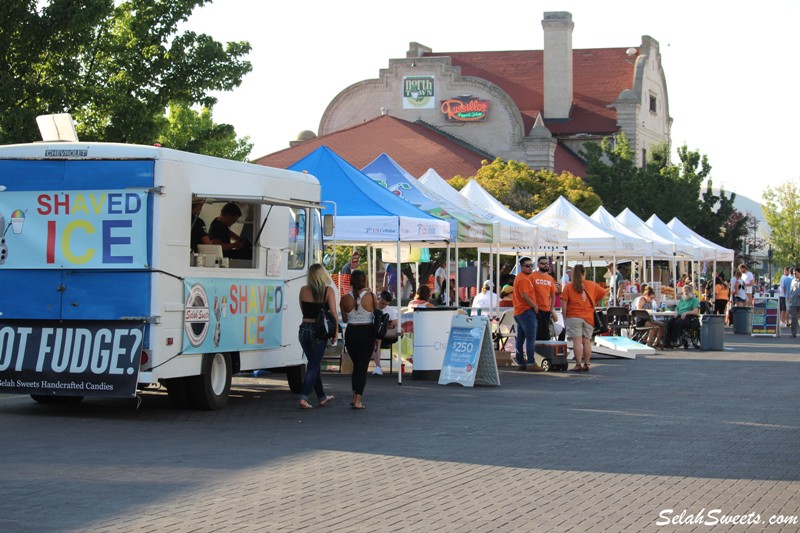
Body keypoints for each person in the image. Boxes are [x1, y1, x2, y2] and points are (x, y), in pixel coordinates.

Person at [297, 264, 338, 409]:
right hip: (319, 332)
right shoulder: (328, 291)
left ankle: (321, 397)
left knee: (314, 364)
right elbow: (333, 314)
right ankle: (304, 397)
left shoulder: (303, 290)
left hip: (303, 330)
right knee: (313, 365)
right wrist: (335, 333)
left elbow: (303, 310)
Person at [560, 264, 608, 372]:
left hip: (573, 316)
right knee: (587, 341)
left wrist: (564, 317)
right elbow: (603, 293)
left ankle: (578, 364)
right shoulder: (591, 285)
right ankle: (587, 363)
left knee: (577, 342)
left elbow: (564, 304)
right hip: (588, 316)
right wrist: (595, 301)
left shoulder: (568, 287)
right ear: (584, 273)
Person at [340, 269, 376, 410]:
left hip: (351, 332)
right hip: (366, 332)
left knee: (357, 366)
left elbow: (344, 318)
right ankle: (358, 400)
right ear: (364, 281)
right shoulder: (371, 296)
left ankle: (354, 395)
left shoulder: (344, 299)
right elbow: (376, 312)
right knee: (362, 367)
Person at [512, 257, 543, 372]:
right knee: (530, 338)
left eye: (531, 265)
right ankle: (530, 362)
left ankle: (521, 362)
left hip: (519, 311)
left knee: (520, 339)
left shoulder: (522, 278)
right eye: (527, 266)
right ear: (521, 266)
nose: (530, 268)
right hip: (526, 311)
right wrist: (534, 306)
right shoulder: (524, 279)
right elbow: (525, 295)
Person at [530, 256, 558, 341]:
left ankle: (543, 353)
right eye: (543, 263)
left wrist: (551, 309)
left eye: (547, 263)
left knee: (545, 336)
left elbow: (553, 295)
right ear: (538, 265)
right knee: (535, 334)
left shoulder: (550, 278)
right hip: (534, 309)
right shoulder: (532, 276)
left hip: (546, 310)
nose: (546, 265)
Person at [371, 291, 399, 375]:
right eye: (383, 303)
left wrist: (389, 325)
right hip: (375, 333)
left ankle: (378, 367)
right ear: (379, 298)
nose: (384, 306)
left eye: (386, 304)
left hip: (384, 332)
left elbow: (395, 324)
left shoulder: (390, 310)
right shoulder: (372, 308)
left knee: (399, 330)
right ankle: (378, 366)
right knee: (378, 337)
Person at [787, 267, 800, 338]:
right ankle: (793, 333)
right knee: (794, 318)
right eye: (794, 273)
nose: (794, 274)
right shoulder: (793, 281)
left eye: (796, 273)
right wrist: (790, 299)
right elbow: (791, 291)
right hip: (794, 302)